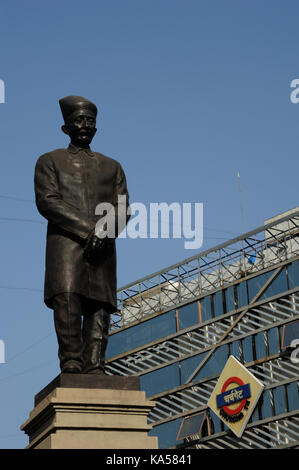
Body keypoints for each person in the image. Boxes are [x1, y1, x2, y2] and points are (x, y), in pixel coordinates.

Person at [34, 95, 130, 374]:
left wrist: (105, 232)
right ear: (66, 127)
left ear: (96, 128)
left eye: (90, 121)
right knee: (67, 298)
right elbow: (48, 201)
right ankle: (71, 360)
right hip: (66, 244)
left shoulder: (112, 166)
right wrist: (93, 229)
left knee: (100, 303)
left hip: (104, 246)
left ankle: (95, 364)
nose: (85, 125)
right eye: (79, 120)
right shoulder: (50, 161)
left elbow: (123, 207)